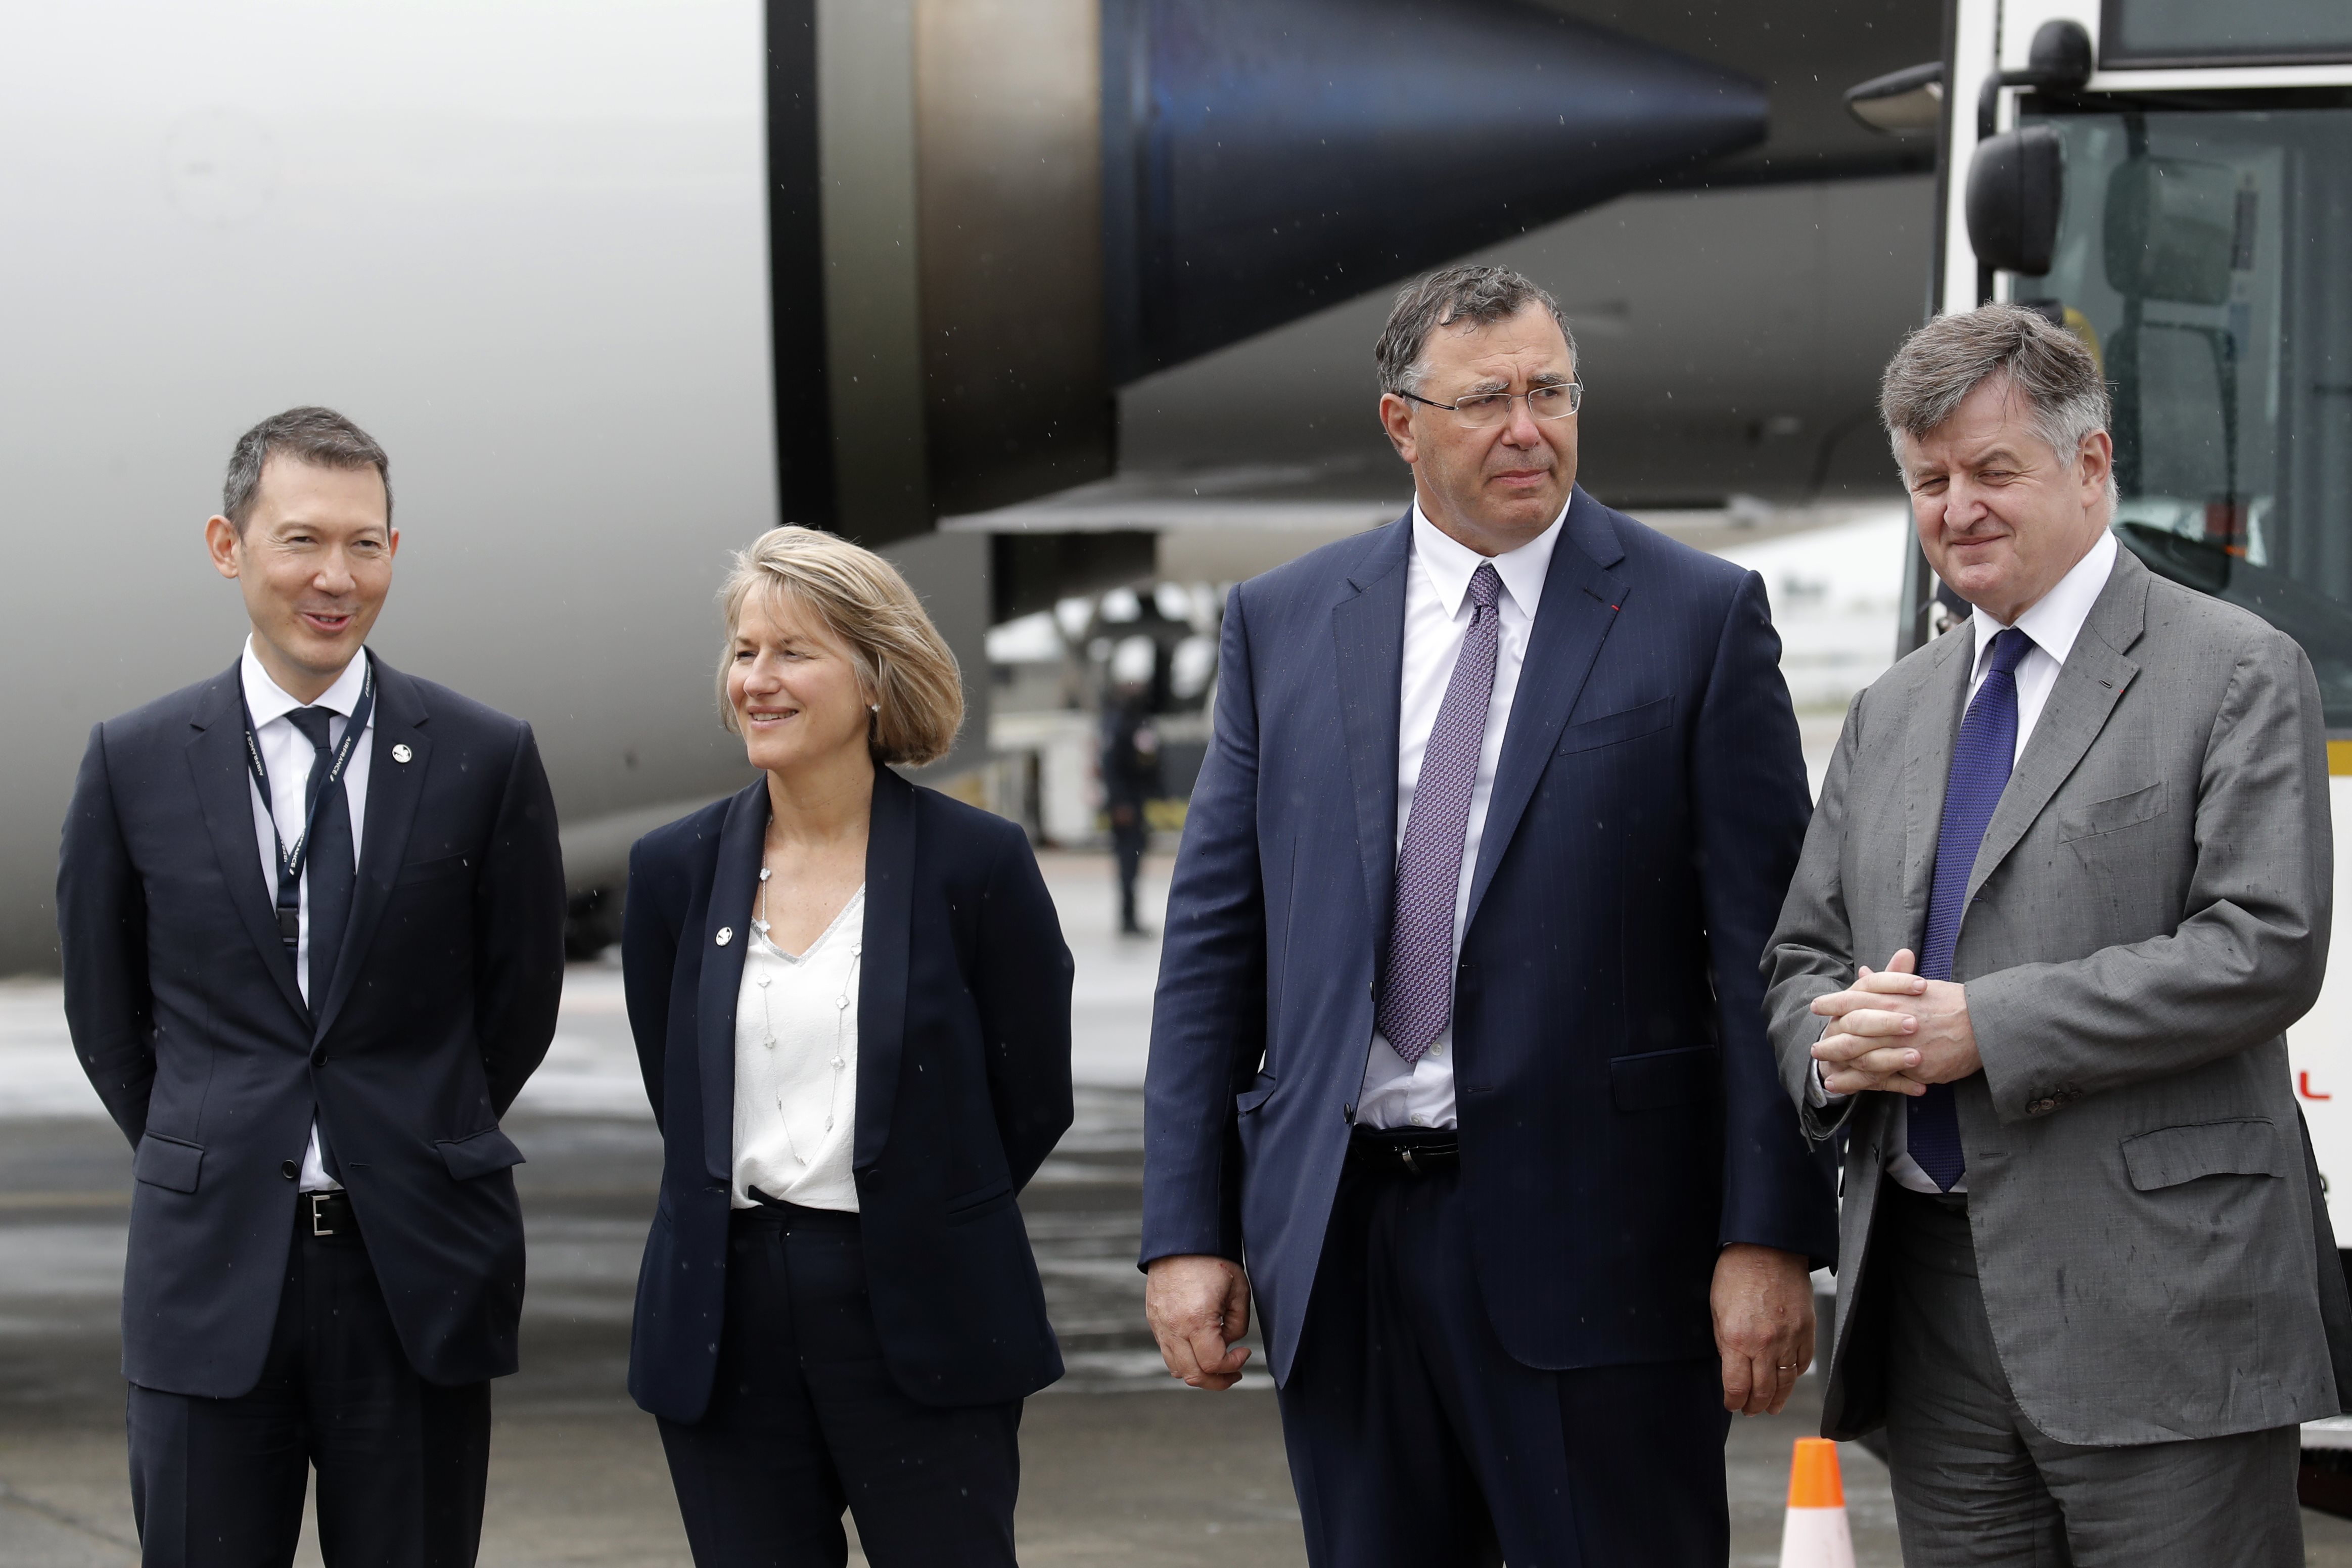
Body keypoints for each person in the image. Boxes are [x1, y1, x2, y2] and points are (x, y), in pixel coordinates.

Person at [1140, 264, 1837, 1566]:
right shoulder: (1282, 624)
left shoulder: (1696, 618)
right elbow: (1213, 951)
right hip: (1343, 1243)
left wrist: (1768, 1237)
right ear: (1401, 424)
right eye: (1486, 401)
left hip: (1603, 1249)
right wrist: (1185, 1230)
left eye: (1550, 393)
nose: (1528, 429)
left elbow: (1769, 955)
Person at [1764, 303, 2352, 1564]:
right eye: (1929, 482)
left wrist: (1984, 1027)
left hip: (2164, 1306)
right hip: (1930, 1312)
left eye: (1991, 470)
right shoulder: (1890, 708)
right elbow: (1800, 958)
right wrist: (1831, 1048)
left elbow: (2262, 945)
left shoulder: (2236, 669)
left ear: (2090, 465)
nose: (1957, 508)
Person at [57, 406, 567, 1566]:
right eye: (301, 541)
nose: (336, 578)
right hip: (210, 1274)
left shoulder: (482, 756)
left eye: (364, 544)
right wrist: (218, 1137)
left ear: (394, 551)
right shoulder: (135, 761)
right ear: (227, 546)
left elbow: (517, 1005)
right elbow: (108, 1017)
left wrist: (409, 1131)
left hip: (415, 1276)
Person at [621, 525, 1073, 1567]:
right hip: (723, 1320)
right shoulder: (674, 869)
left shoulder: (978, 863)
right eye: (745, 651)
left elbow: (1030, 1096)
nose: (757, 680)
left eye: (793, 652)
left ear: (876, 677)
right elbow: (678, 1088)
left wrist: (921, 1201)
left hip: (923, 1306)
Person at [1099, 668, 1161, 936]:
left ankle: (1131, 916)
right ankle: (1128, 919)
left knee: (1134, 861)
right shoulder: (1120, 724)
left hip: (1137, 803)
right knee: (1128, 861)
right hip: (1126, 805)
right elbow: (1111, 767)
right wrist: (1120, 803)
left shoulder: (1140, 722)